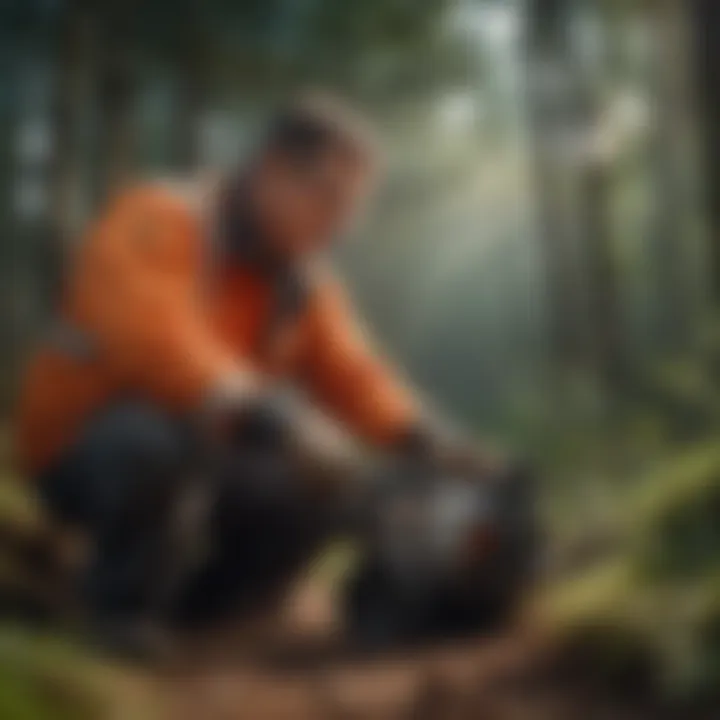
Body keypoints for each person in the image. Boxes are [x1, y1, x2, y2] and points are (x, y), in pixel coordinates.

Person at [14, 93, 498, 647]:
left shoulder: (300, 278)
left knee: (315, 488)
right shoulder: (160, 216)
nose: (339, 223)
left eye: (351, 207)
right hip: (81, 444)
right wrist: (276, 417)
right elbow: (154, 339)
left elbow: (353, 371)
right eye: (327, 197)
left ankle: (206, 614)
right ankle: (115, 616)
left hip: (204, 446)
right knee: (153, 443)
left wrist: (426, 438)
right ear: (271, 169)